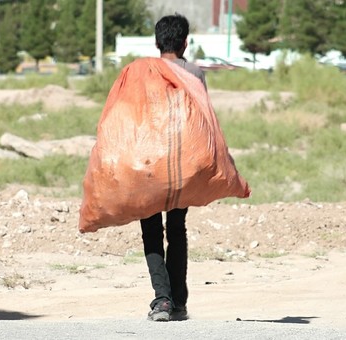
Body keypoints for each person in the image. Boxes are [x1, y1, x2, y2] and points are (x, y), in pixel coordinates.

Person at [141, 13, 207, 322]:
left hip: (149, 164)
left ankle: (163, 300)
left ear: (157, 42)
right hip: (182, 165)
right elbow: (202, 120)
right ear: (184, 42)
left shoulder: (142, 72)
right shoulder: (194, 72)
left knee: (152, 231)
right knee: (177, 230)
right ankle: (177, 302)